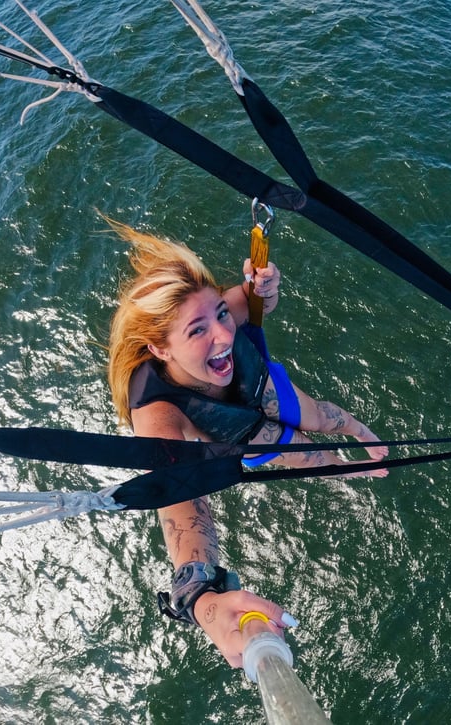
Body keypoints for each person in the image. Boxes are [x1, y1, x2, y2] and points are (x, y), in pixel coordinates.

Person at [106, 218, 389, 668]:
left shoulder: (225, 315)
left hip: (263, 387)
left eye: (219, 313)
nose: (222, 333)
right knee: (302, 453)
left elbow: (258, 303)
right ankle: (343, 465)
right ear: (160, 349)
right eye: (196, 331)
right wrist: (201, 597)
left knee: (317, 414)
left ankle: (356, 432)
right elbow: (180, 499)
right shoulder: (156, 412)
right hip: (240, 432)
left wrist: (266, 285)